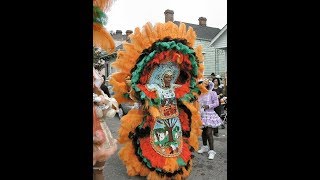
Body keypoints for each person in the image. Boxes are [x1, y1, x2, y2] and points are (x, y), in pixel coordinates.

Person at [109, 21, 205, 179]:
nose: (168, 79)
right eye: (166, 77)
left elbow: (187, 87)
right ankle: (156, 168)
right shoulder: (156, 88)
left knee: (173, 145)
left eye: (170, 77)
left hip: (173, 121)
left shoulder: (174, 87)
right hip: (158, 121)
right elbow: (139, 90)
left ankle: (173, 165)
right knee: (157, 144)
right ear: (161, 77)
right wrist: (133, 89)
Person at [93, 68, 119, 180]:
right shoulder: (99, 93)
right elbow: (110, 111)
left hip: (100, 137)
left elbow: (112, 110)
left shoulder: (100, 93)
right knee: (98, 172)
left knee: (98, 171)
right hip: (100, 136)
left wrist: (101, 97)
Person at [197, 79, 223, 160]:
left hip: (210, 114)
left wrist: (208, 106)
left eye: (204, 85)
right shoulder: (200, 94)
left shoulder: (212, 93)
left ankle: (211, 151)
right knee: (203, 132)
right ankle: (205, 147)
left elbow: (217, 103)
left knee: (209, 133)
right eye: (201, 85)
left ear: (207, 85)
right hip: (201, 115)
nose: (203, 86)